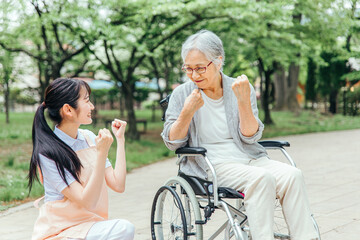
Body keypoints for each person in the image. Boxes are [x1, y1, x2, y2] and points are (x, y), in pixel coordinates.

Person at [161, 30, 319, 240]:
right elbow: (173, 143)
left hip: (248, 157)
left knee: (293, 176)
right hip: (210, 164)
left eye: (200, 68)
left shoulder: (239, 88)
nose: (194, 75)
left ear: (219, 61)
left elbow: (249, 137)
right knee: (261, 179)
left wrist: (244, 102)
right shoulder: (182, 93)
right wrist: (187, 112)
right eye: (188, 68)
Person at [28, 78, 135, 240]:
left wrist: (120, 140)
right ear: (68, 110)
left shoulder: (89, 138)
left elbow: (118, 185)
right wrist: (101, 154)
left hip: (90, 226)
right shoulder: (49, 154)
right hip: (61, 232)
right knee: (123, 228)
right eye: (86, 101)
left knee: (124, 228)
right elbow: (87, 201)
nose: (92, 106)